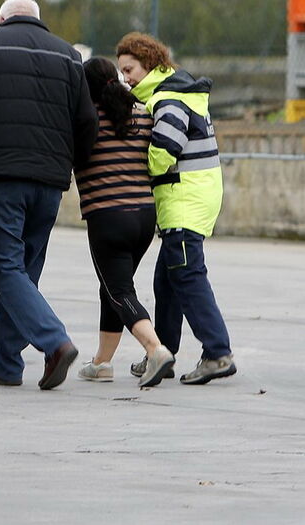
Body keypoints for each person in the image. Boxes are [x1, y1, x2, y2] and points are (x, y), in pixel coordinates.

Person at [0, 0, 97, 390]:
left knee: (4, 265)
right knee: (24, 270)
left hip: (2, 174)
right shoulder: (68, 55)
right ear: (38, 20)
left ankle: (55, 341)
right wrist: (66, 162)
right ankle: (7, 364)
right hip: (49, 181)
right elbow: (86, 121)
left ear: (2, 18)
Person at [115, 32, 236, 385]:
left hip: (185, 201)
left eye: (130, 69)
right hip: (189, 198)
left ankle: (217, 353)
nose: (127, 78)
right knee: (166, 278)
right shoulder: (176, 92)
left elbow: (166, 148)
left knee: (186, 274)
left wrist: (143, 167)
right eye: (122, 72)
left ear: (149, 64)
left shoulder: (168, 98)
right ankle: (161, 353)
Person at [74, 57, 175, 388]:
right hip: (144, 217)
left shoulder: (84, 121)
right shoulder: (141, 113)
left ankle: (155, 349)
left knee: (119, 290)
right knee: (113, 289)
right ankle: (102, 363)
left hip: (107, 216)